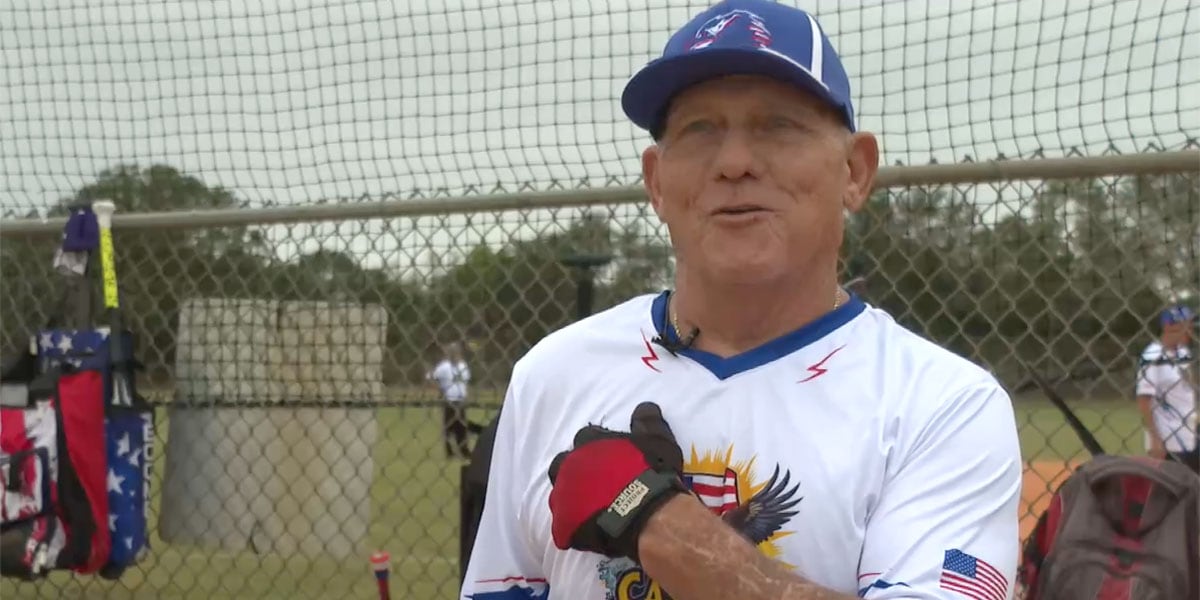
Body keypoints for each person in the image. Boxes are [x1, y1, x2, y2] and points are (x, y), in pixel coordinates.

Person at [460, 1, 1022, 599]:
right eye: (700, 130)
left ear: (855, 172)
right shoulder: (553, 374)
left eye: (778, 126)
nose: (734, 164)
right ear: (655, 181)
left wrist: (656, 523)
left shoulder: (941, 405)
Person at [1135, 303, 1198, 472]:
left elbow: (1187, 389)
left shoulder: (1184, 353)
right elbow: (1143, 399)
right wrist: (1155, 439)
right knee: (1173, 491)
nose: (1190, 329)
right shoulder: (1152, 355)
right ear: (1169, 327)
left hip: (1190, 434)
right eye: (1186, 325)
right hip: (1168, 440)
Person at [427, 341, 472, 459]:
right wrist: (440, 388)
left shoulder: (463, 366)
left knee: (462, 427)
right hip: (450, 400)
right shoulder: (444, 366)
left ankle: (464, 450)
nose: (454, 354)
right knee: (449, 427)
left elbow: (465, 382)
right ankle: (450, 452)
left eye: (456, 352)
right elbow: (431, 376)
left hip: (460, 401)